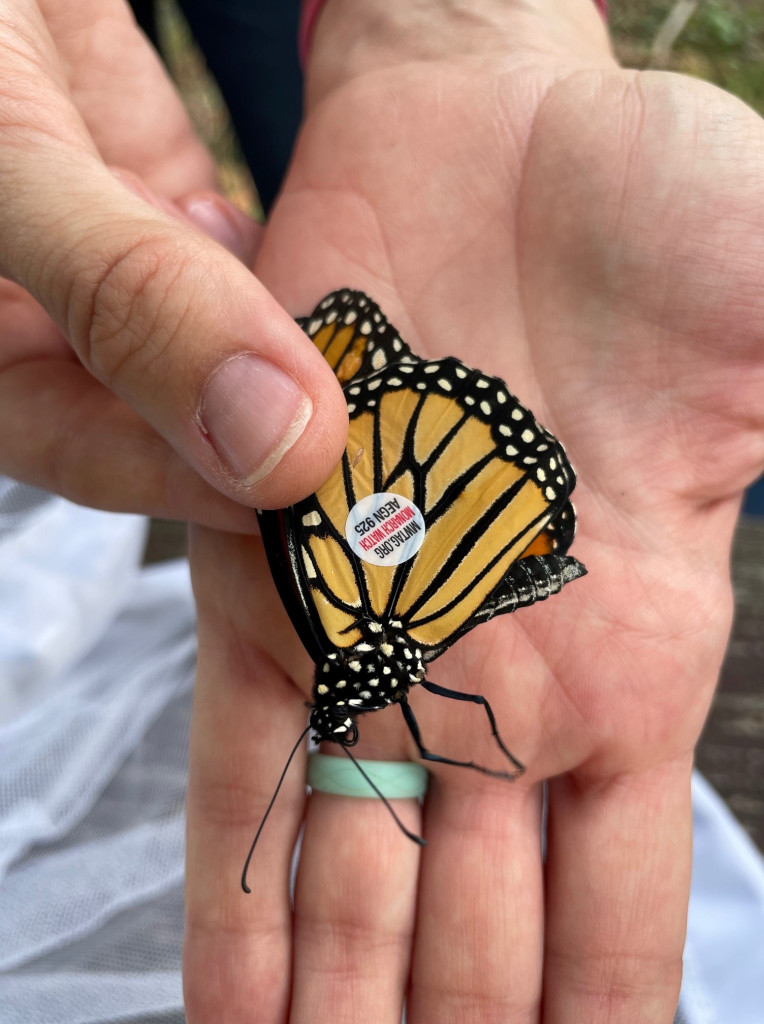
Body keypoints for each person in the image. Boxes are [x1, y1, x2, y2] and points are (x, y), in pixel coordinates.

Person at [1, 1, 763, 1022]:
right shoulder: (366, 639)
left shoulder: (340, 617)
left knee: (294, 157)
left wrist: (457, 30)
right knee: (109, 143)